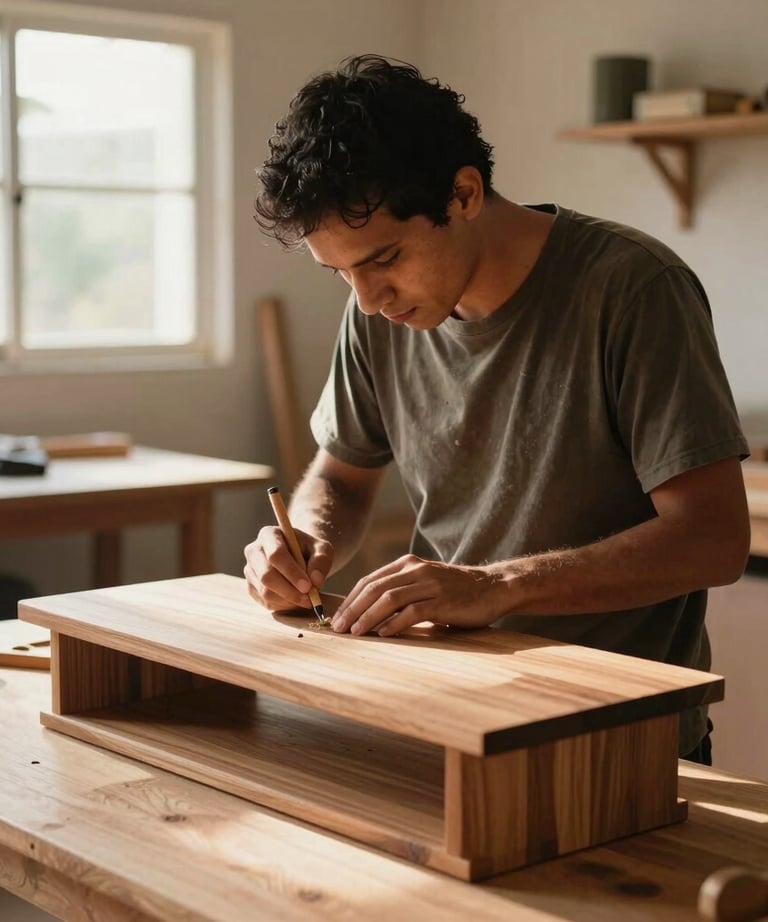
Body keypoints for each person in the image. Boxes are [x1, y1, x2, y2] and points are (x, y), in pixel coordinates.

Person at [244, 54, 751, 763]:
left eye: (384, 259)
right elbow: (340, 478)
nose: (366, 299)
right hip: (454, 712)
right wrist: (304, 541)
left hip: (617, 739)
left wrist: (492, 586)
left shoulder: (633, 289)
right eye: (341, 273)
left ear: (465, 193)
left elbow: (714, 538)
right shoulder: (375, 315)